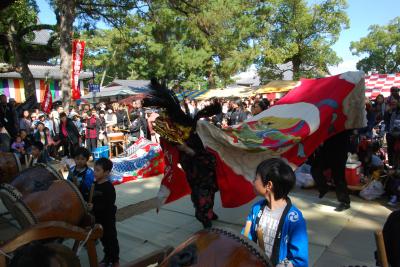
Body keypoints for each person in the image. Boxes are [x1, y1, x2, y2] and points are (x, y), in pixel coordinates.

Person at [242, 158, 308, 267]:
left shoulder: (294, 219)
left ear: (268, 185)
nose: (253, 181)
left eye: (256, 178)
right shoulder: (256, 209)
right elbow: (246, 238)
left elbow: (299, 260)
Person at [88, 158, 119, 267]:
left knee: (111, 239)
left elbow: (108, 204)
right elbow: (91, 198)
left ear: (106, 172)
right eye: (94, 170)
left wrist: (94, 206)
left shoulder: (109, 187)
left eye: (97, 170)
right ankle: (107, 258)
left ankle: (115, 260)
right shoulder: (94, 184)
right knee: (103, 240)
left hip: (108, 219)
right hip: (98, 218)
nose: (94, 173)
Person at [311, 131, 352, 211]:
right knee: (315, 169)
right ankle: (324, 188)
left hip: (340, 149)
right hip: (327, 147)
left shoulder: (346, 120)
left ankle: (345, 202)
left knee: (338, 177)